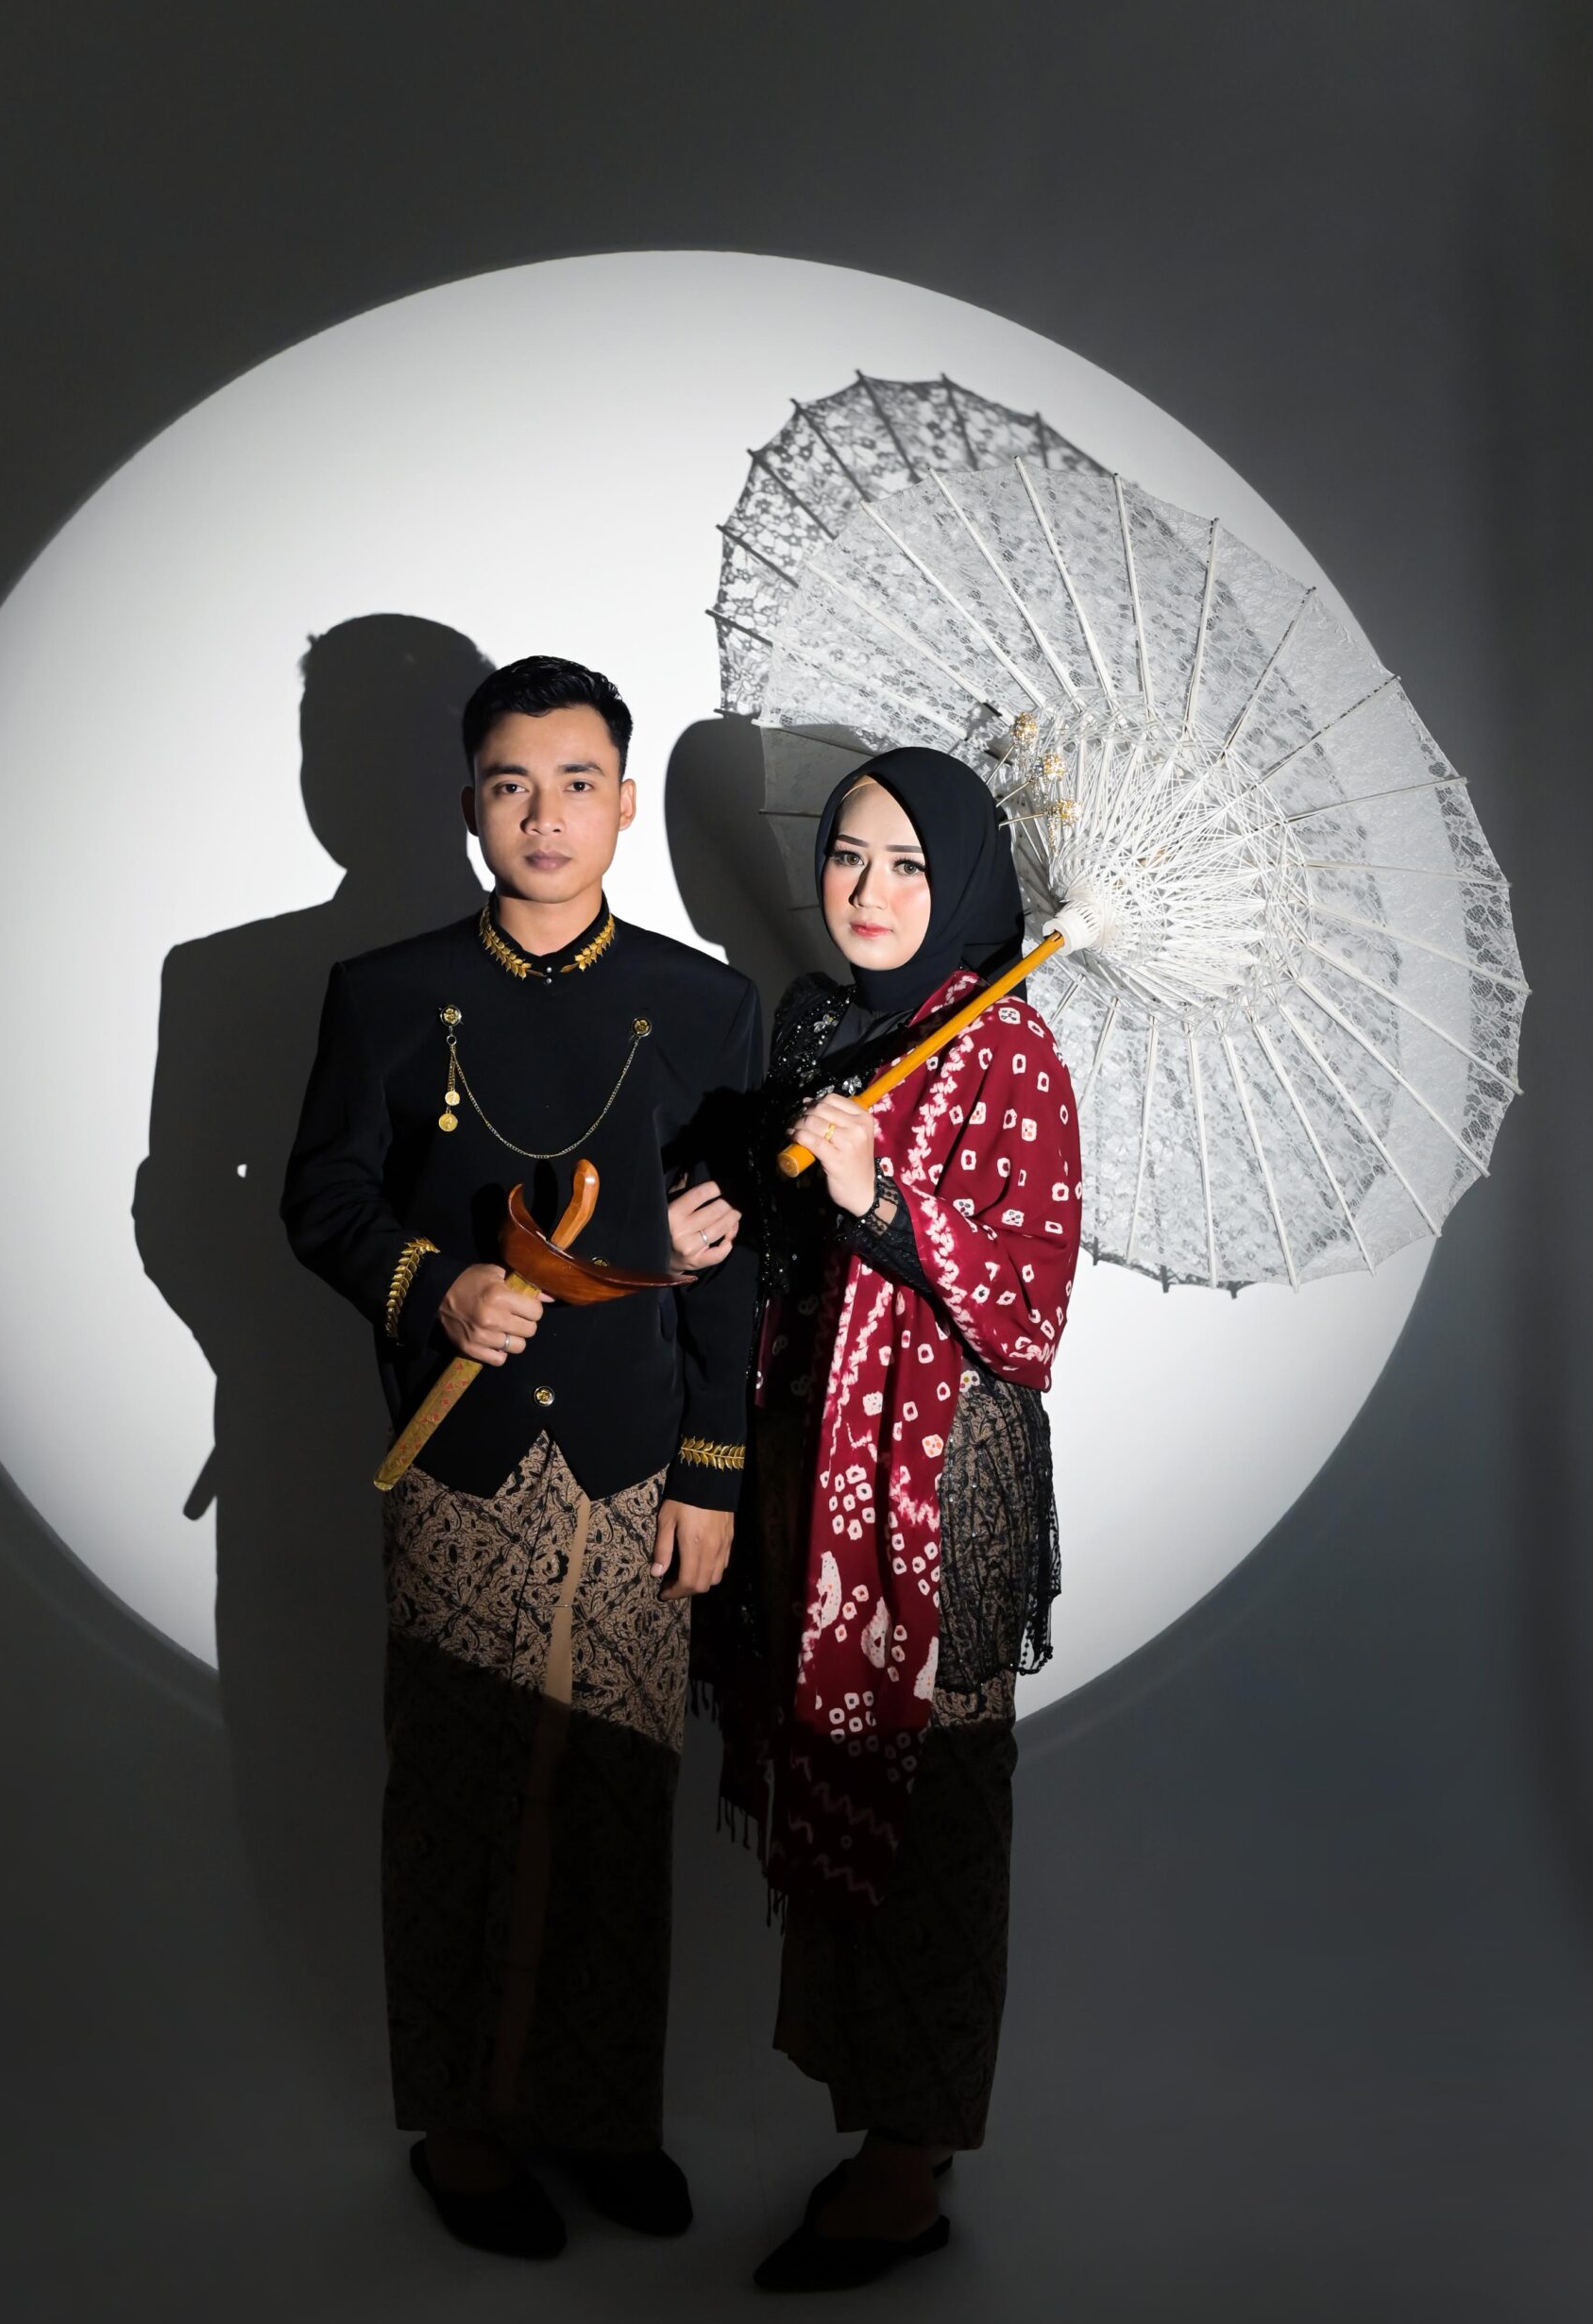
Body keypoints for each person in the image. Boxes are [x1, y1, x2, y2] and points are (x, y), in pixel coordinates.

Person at [280, 653, 762, 2261]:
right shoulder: (382, 991)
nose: (543, 816)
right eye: (510, 785)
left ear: (621, 804)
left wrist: (711, 1469)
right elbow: (321, 1197)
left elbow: (729, 1257)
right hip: (459, 1460)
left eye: (574, 784)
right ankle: (464, 2129)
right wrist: (434, 1285)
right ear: (469, 805)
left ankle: (602, 2116)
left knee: (619, 1798)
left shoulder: (706, 1004)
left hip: (635, 1464)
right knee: (458, 1790)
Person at [679, 745, 1080, 2293]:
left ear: (964, 880)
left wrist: (883, 1201)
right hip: (810, 1459)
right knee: (837, 1773)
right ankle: (883, 2121)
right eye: (848, 854)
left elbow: (1028, 1318)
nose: (866, 889)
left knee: (934, 1811)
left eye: (908, 864)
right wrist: (720, 1201)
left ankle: (910, 2167)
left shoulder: (1009, 1052)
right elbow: (779, 1253)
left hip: (936, 1482)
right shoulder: (821, 1026)